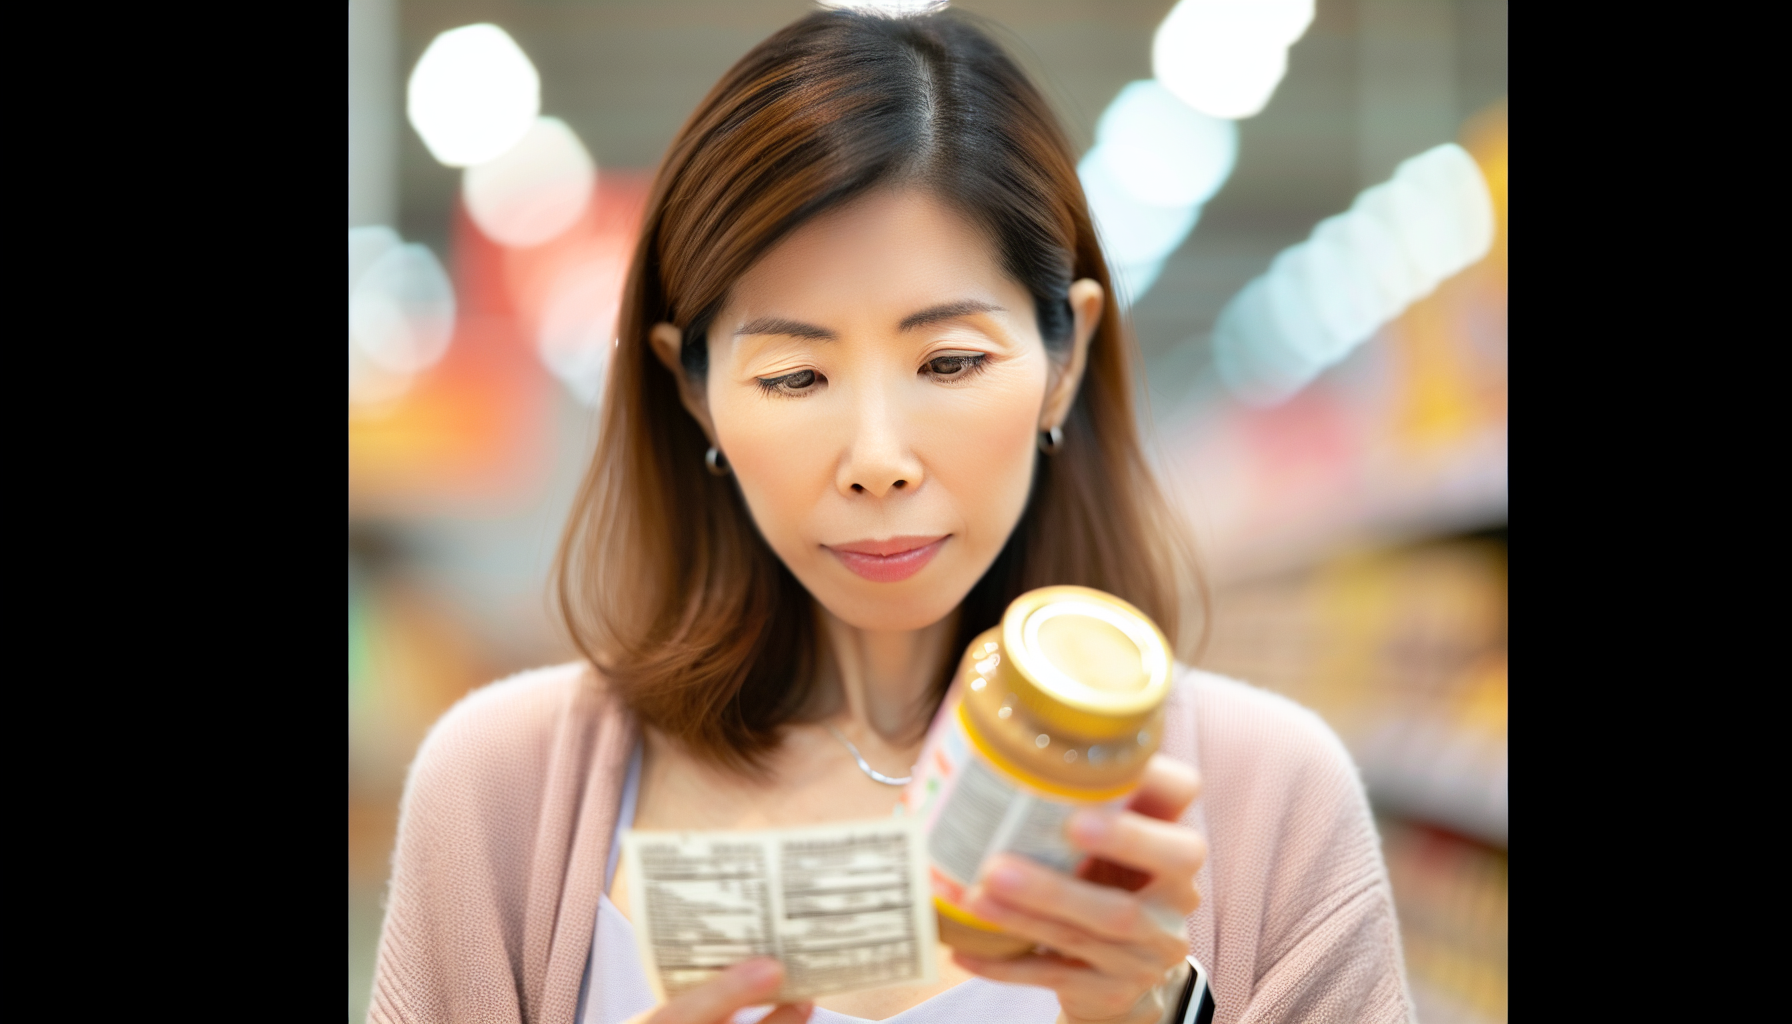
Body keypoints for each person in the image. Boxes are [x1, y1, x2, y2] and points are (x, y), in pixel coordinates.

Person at [367, 9, 1413, 1024]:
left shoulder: (1268, 793)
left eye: (949, 361)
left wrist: (1161, 1014)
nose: (877, 459)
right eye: (792, 375)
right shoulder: (502, 786)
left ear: (1065, 359)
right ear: (692, 392)